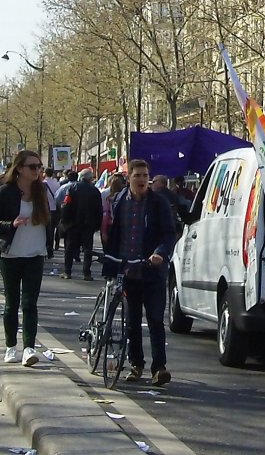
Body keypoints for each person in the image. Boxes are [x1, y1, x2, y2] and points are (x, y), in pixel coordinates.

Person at [103, 159, 176, 386]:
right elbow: (111, 233)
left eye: (146, 176)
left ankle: (159, 368)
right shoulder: (118, 202)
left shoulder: (158, 203)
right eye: (138, 175)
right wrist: (109, 258)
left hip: (152, 270)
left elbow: (169, 233)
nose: (143, 179)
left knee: (155, 319)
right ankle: (136, 364)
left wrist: (160, 253)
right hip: (128, 269)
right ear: (129, 178)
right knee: (132, 321)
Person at [0, 150, 51, 367]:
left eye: (39, 167)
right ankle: (11, 346)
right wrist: (10, 224)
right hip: (10, 254)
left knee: (30, 303)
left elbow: (51, 220)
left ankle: (29, 347)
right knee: (12, 303)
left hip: (35, 253)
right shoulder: (5, 192)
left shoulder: (42, 191)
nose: (37, 170)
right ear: (20, 169)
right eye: (33, 167)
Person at [60, 168, 103, 280]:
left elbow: (66, 205)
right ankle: (86, 273)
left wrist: (64, 221)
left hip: (73, 223)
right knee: (88, 249)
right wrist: (98, 224)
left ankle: (67, 271)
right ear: (90, 178)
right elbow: (99, 209)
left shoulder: (72, 188)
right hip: (89, 224)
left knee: (69, 248)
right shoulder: (95, 191)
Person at [100, 173, 126, 250]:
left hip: (110, 226)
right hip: (122, 226)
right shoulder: (125, 194)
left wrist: (103, 231)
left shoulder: (105, 194)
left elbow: (105, 215)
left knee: (108, 250)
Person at [54, 170, 78, 251]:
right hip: (77, 213)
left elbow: (57, 198)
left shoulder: (63, 187)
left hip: (64, 211)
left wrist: (61, 207)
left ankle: (58, 244)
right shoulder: (80, 187)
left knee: (62, 228)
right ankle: (75, 250)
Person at [42, 168, 60, 259]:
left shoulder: (43, 183)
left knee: (47, 230)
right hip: (55, 209)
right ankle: (53, 247)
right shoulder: (57, 183)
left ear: (45, 173)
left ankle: (47, 249)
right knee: (54, 229)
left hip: (46, 209)